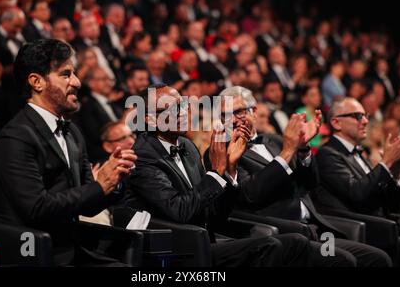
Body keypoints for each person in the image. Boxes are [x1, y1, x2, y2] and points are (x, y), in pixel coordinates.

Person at [124, 84, 312, 267]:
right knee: (272, 246)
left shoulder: (186, 145)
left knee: (297, 242)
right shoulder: (142, 157)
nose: (182, 113)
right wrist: (215, 172)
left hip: (206, 237)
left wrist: (229, 171)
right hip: (176, 250)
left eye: (182, 105)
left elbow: (212, 212)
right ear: (150, 119)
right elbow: (179, 211)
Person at [0, 39, 137, 266]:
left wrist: (114, 180)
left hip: (69, 249)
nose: (77, 82)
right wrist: (98, 186)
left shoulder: (73, 133)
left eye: (74, 73)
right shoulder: (16, 137)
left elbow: (89, 203)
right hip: (30, 254)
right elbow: (36, 209)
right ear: (36, 82)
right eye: (66, 74)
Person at [215, 86, 392, 267]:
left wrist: (303, 149)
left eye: (239, 112)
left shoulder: (275, 140)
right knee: (344, 260)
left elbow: (311, 182)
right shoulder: (222, 151)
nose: (233, 120)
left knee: (377, 258)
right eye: (225, 115)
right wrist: (287, 152)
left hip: (317, 229)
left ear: (255, 111)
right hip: (285, 233)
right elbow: (250, 193)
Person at [313, 97, 400, 216]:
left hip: (382, 223)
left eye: (365, 115)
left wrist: (395, 172)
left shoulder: (358, 153)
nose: (366, 121)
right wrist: (386, 161)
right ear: (336, 123)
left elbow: (391, 204)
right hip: (357, 228)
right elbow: (357, 194)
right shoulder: (327, 154)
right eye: (357, 116)